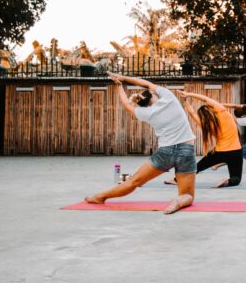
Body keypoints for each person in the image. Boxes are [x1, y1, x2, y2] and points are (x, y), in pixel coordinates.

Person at [84, 73, 196, 214]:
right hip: (186, 149)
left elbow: (126, 104)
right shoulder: (168, 98)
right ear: (153, 96)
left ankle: (99, 196)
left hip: (165, 153)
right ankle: (178, 201)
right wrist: (122, 78)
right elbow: (145, 83)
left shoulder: (145, 113)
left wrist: (119, 86)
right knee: (187, 195)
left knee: (134, 182)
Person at [178, 91, 243, 188]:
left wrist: (185, 101)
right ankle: (227, 182)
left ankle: (177, 179)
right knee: (236, 178)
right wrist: (189, 94)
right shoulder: (223, 113)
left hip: (219, 152)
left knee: (197, 167)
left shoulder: (206, 125)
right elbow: (205, 99)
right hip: (236, 151)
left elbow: (192, 113)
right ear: (212, 109)